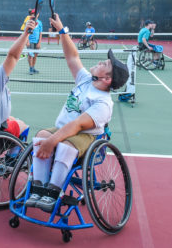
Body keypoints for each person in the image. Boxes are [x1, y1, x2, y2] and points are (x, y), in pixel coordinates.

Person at [25, 13, 129, 212]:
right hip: (65, 130)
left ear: (106, 79)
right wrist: (62, 31)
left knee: (62, 144)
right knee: (40, 137)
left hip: (86, 138)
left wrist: (52, 141)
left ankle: (52, 193)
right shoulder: (86, 80)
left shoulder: (103, 103)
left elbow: (78, 126)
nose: (100, 62)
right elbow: (72, 56)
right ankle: (38, 188)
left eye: (104, 65)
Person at [27, 9, 43, 75]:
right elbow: (26, 33)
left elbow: (40, 33)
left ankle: (33, 67)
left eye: (35, 14)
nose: (34, 15)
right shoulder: (28, 22)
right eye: (33, 14)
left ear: (38, 15)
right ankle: (30, 68)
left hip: (37, 42)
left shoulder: (40, 23)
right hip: (30, 41)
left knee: (35, 55)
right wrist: (27, 41)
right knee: (30, 55)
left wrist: (39, 42)